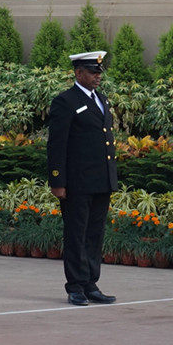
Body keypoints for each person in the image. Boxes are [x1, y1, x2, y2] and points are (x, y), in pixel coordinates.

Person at [47, 50, 118, 307]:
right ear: (78, 73)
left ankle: (90, 283)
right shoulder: (65, 101)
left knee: (94, 233)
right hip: (77, 181)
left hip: (101, 180)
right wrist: (57, 180)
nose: (98, 76)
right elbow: (57, 145)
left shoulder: (101, 99)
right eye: (93, 72)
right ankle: (75, 285)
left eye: (99, 72)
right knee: (76, 233)